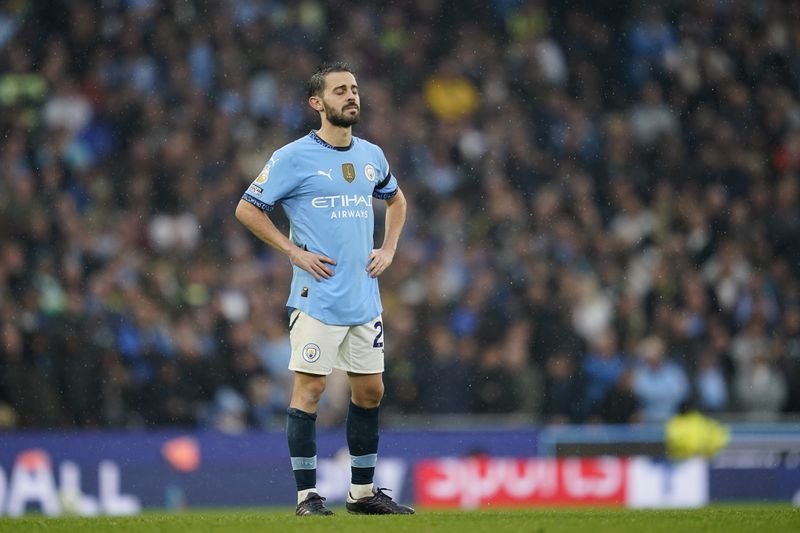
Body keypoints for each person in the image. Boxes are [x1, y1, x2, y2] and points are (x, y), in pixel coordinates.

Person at [235, 62, 413, 516]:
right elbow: (247, 209)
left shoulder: (371, 154)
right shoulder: (293, 157)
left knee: (371, 392)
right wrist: (292, 252)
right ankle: (306, 496)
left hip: (364, 298)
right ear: (317, 103)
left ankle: (361, 493)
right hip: (317, 299)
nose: (351, 96)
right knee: (310, 391)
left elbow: (396, 200)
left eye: (354, 89)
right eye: (340, 91)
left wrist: (389, 249)